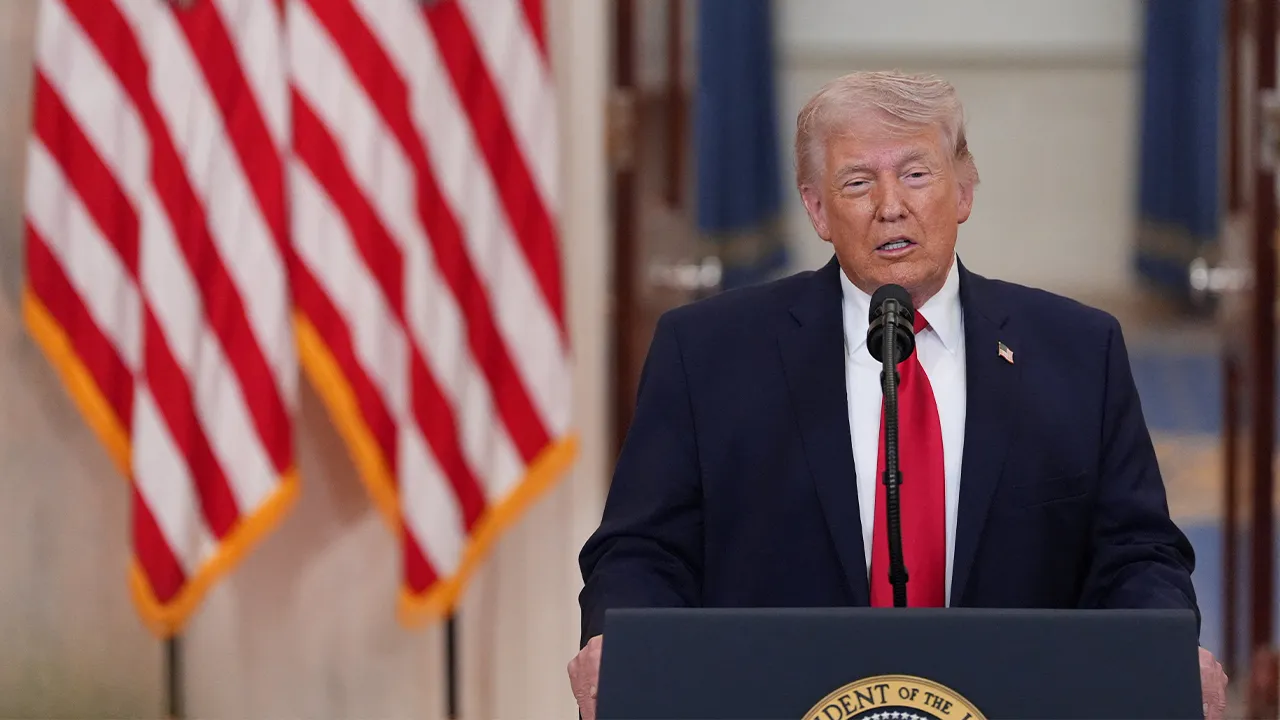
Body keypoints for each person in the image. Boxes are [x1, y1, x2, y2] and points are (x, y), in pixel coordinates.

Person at [567, 70, 1228, 720]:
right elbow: (642, 550)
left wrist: (1161, 646)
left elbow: (1138, 551)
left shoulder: (1078, 351)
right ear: (818, 210)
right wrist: (620, 644)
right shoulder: (707, 353)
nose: (891, 205)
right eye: (857, 182)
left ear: (964, 191)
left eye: (917, 174)